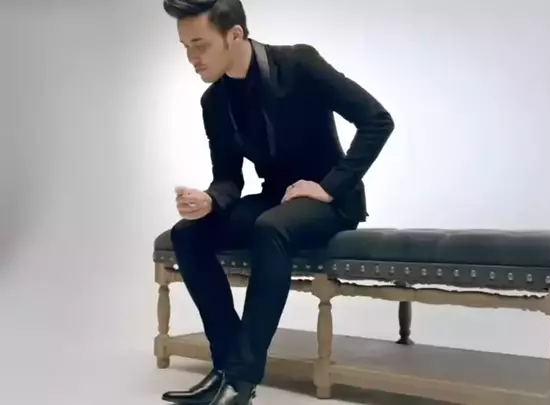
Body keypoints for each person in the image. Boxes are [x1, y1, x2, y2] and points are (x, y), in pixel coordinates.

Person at [160, 0, 394, 404]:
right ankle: (225, 366)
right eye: (185, 47)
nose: (192, 58)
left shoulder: (299, 64)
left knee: (271, 227)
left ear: (235, 35)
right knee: (187, 234)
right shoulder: (214, 102)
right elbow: (229, 177)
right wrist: (211, 200)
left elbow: (376, 119)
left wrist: (330, 186)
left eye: (200, 45)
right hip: (276, 199)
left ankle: (241, 380)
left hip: (331, 203)